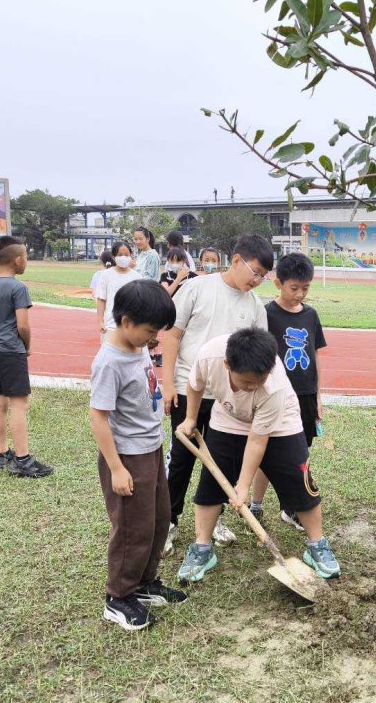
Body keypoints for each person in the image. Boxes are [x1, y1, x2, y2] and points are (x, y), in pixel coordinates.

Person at [176, 328, 340, 582]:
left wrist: (243, 487)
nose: (252, 387)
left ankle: (317, 545)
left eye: (258, 381)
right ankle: (202, 548)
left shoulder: (273, 385)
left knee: (299, 480)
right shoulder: (209, 356)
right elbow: (195, 385)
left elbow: (256, 441)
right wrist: (190, 418)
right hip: (229, 417)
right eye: (247, 382)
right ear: (227, 365)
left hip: (280, 420)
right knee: (210, 482)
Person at [163, 235, 273, 552]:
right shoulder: (197, 288)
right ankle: (168, 521)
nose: (257, 280)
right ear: (237, 260)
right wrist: (168, 383)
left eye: (263, 276)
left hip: (229, 399)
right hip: (188, 389)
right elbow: (172, 335)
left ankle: (214, 521)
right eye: (255, 272)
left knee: (221, 462)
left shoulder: (255, 307)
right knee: (181, 459)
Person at [89, 279, 187, 630]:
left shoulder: (137, 344)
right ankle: (118, 596)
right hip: (128, 456)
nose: (153, 338)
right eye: (149, 330)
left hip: (151, 447)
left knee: (158, 519)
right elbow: (98, 418)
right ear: (126, 321)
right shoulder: (109, 362)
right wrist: (116, 468)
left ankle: (144, 583)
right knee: (133, 527)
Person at [249, 253, 326, 532]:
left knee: (300, 452)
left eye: (305, 288)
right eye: (294, 288)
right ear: (278, 283)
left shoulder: (311, 315)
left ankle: (291, 508)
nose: (300, 294)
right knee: (267, 453)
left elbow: (315, 356)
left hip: (305, 396)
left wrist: (318, 396)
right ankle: (256, 504)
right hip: (275, 395)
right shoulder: (266, 314)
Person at [0, 236, 54, 478]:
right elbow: (23, 325)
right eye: (26, 257)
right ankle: (23, 459)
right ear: (17, 260)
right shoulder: (18, 288)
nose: (27, 261)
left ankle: (2, 454)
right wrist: (27, 345)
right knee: (20, 404)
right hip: (10, 349)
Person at [95, 242, 141, 342]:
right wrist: (101, 322)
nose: (123, 257)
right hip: (110, 326)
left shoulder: (137, 277)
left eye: (126, 255)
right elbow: (101, 299)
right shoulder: (106, 275)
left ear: (131, 255)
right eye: (120, 255)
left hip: (131, 327)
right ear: (113, 256)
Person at [133, 227, 164, 368]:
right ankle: (148, 354)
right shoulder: (141, 255)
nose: (138, 241)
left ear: (148, 239)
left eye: (140, 238)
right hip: (139, 294)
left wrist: (133, 274)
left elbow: (150, 278)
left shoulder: (152, 255)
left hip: (149, 295)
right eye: (135, 239)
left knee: (147, 327)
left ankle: (155, 354)